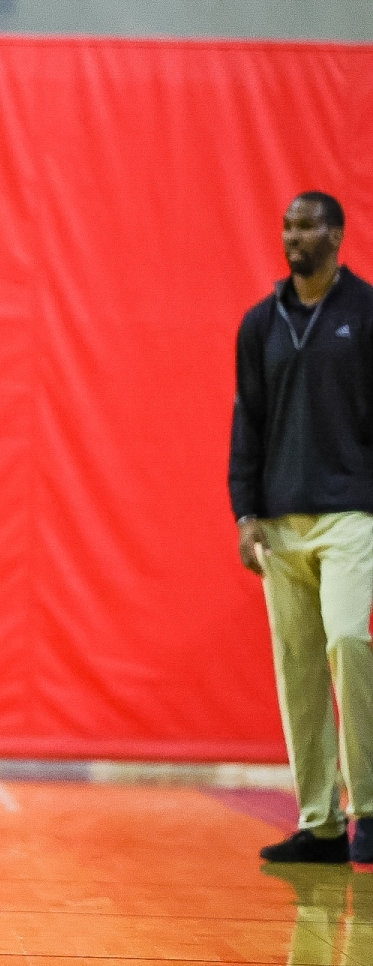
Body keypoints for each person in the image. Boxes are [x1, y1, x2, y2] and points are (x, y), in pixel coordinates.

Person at [232, 192, 373, 868]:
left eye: (309, 225)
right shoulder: (260, 323)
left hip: (350, 512)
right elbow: (248, 420)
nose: (295, 235)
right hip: (280, 520)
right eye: (288, 225)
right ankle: (319, 825)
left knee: (348, 639)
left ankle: (367, 809)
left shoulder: (366, 312)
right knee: (298, 669)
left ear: (337, 236)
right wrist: (245, 513)